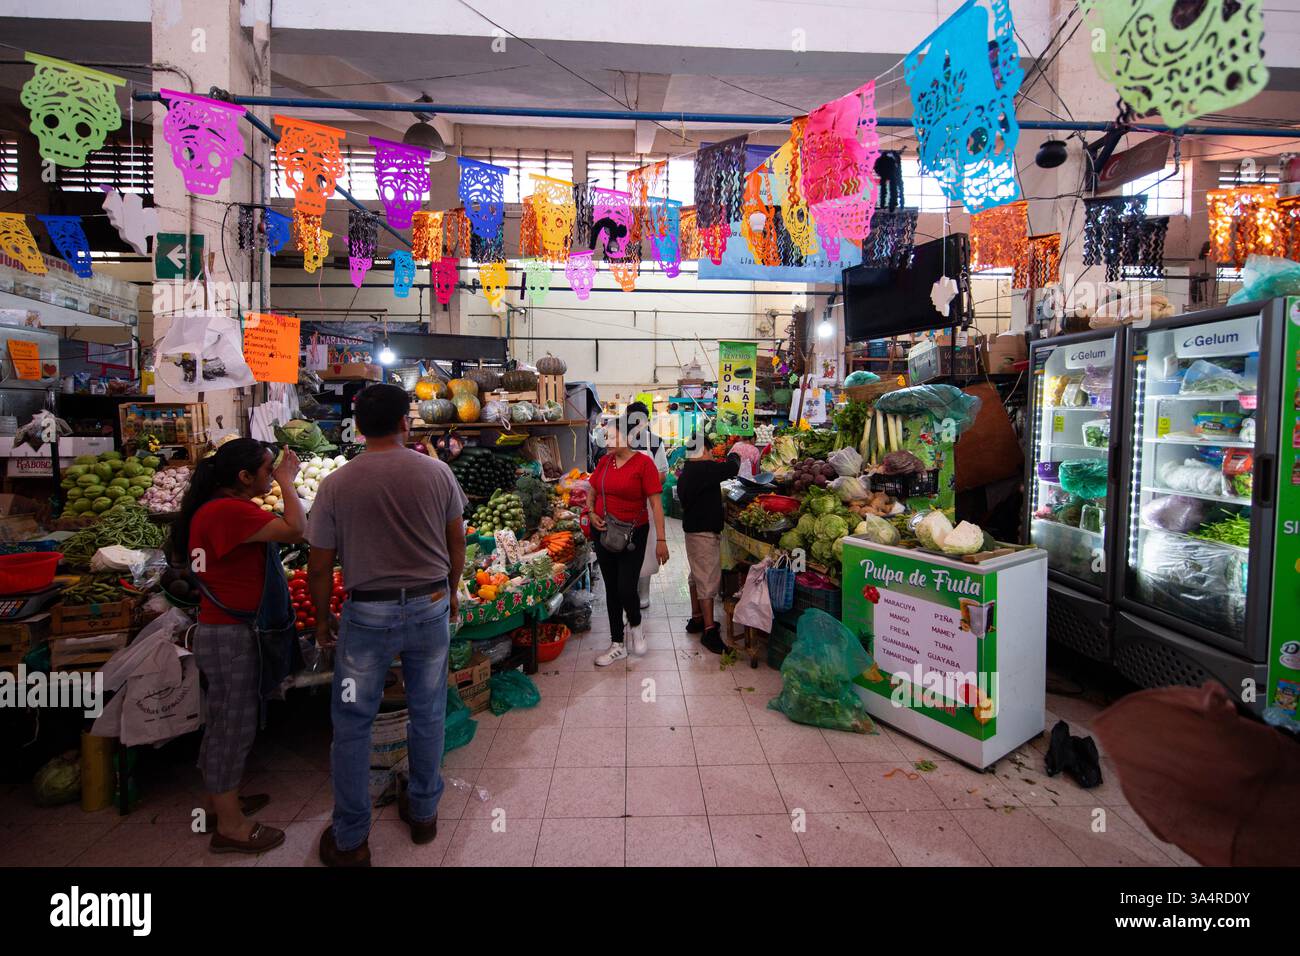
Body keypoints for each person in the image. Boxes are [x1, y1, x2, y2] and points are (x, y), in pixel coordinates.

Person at [307, 383, 467, 867]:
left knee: (353, 724)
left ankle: (352, 839)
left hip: (367, 615)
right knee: (428, 711)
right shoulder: (437, 473)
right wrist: (451, 592)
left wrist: (321, 620)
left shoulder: (336, 484)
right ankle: (423, 814)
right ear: (405, 424)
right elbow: (457, 542)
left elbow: (319, 565)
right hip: (429, 606)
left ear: (357, 428)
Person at [171, 438, 306, 855]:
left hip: (223, 630)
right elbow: (296, 529)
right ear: (244, 477)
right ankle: (231, 827)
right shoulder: (228, 511)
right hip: (232, 634)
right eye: (267, 470)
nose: (272, 474)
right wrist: (288, 483)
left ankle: (218, 804)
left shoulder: (215, 508)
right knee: (234, 726)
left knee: (223, 721)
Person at [590, 409, 668, 664]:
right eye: (606, 437)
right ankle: (617, 644)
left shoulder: (643, 464)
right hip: (603, 532)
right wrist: (591, 513)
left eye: (612, 436)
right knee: (611, 588)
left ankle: (635, 622)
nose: (607, 441)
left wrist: (661, 541)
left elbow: (656, 504)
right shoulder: (604, 462)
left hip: (633, 534)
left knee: (626, 586)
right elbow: (592, 489)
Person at [675, 431, 741, 653]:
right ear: (703, 450)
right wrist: (735, 453)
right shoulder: (704, 469)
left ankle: (697, 618)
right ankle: (709, 630)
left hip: (692, 531)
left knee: (696, 576)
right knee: (707, 580)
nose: (712, 456)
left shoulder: (687, 471)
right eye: (711, 452)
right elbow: (732, 467)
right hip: (703, 534)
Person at [625, 401, 668, 611]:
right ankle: (628, 590)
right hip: (624, 506)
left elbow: (663, 474)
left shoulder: (655, 443)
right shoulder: (619, 441)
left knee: (647, 551)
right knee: (624, 548)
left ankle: (644, 593)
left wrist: (643, 486)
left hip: (648, 506)